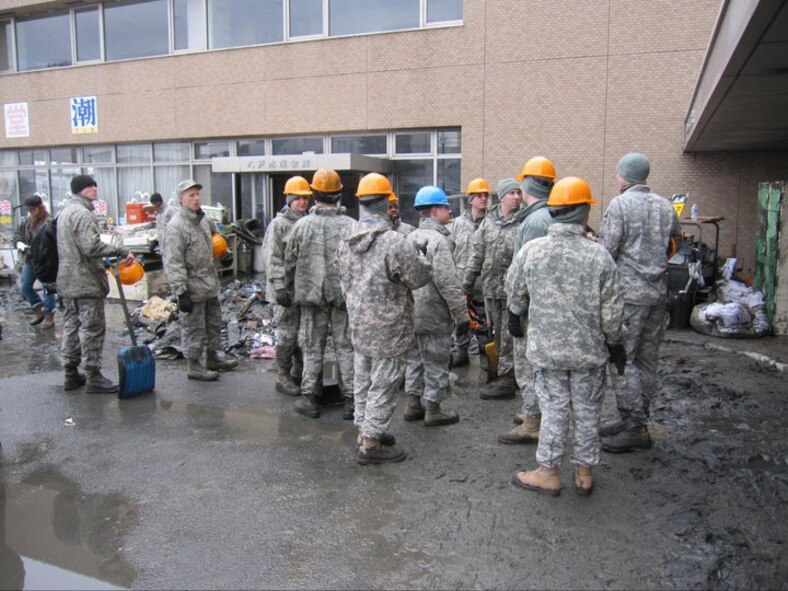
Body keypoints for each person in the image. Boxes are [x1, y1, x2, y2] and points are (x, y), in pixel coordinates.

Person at [509, 177, 625, 496]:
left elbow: (515, 292)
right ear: (583, 213)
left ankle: (548, 471)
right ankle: (584, 471)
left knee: (554, 410)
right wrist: (616, 343)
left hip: (547, 351)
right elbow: (612, 313)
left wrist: (515, 314)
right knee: (588, 411)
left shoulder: (532, 251)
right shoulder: (599, 256)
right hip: (589, 353)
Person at [337, 173, 432, 465]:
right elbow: (418, 278)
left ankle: (365, 428)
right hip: (390, 326)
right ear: (385, 203)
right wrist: (423, 257)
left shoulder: (346, 240)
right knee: (385, 383)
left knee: (363, 379)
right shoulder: (394, 242)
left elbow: (343, 280)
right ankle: (371, 442)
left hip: (359, 324)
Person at [598, 152, 682, 453]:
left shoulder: (620, 205)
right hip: (658, 295)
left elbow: (607, 251)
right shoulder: (665, 205)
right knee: (647, 359)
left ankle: (635, 427)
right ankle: (635, 417)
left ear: (624, 176)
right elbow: (675, 241)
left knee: (622, 359)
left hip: (629, 297)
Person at [284, 169, 356, 420]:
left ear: (314, 194)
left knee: (312, 346)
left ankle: (310, 398)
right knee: (346, 347)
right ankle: (351, 401)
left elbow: (289, 263)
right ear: (338, 194)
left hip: (310, 299)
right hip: (344, 298)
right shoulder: (352, 226)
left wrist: (289, 290)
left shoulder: (301, 226)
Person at [57, 174, 136, 393]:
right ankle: (93, 376)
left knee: (72, 325)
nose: (94, 189)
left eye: (94, 185)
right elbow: (91, 247)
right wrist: (120, 250)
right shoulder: (82, 214)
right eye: (89, 186)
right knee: (92, 328)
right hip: (85, 280)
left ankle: (71, 372)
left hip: (68, 280)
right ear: (80, 190)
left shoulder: (64, 212)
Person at [500, 156, 557, 444]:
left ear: (528, 183)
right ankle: (533, 412)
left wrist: (514, 309)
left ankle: (533, 420)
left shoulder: (534, 221)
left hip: (531, 307)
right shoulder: (550, 214)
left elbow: (522, 271)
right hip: (547, 305)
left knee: (526, 363)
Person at [403, 186, 468, 427]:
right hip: (434, 312)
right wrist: (461, 316)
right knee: (437, 361)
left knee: (414, 360)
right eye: (445, 207)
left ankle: (412, 404)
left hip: (411, 312)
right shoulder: (439, 241)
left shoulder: (408, 237)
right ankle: (433, 408)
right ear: (434, 210)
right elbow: (447, 282)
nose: (449, 212)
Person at [164, 179, 239, 381]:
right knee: (194, 327)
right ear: (181, 199)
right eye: (191, 195)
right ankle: (194, 365)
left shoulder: (203, 220)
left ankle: (213, 357)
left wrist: (225, 253)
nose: (196, 199)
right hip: (192, 285)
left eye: (197, 194)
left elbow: (215, 239)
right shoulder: (176, 227)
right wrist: (180, 292)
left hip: (209, 283)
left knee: (213, 323)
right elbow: (173, 262)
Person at [463, 178, 527, 400]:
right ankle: (502, 372)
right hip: (491, 291)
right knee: (496, 334)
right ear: (502, 197)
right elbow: (476, 255)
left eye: (519, 193)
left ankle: (509, 378)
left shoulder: (523, 222)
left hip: (514, 293)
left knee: (512, 335)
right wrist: (466, 286)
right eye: (512, 193)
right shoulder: (488, 223)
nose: (517, 197)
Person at [266, 176, 311, 397]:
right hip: (284, 291)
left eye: (305, 198)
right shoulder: (279, 225)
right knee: (286, 335)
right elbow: (273, 257)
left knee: (302, 336)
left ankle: (299, 373)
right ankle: (282, 375)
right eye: (298, 198)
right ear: (289, 199)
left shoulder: (308, 221)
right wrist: (279, 286)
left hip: (303, 290)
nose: (302, 202)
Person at [450, 178, 490, 368]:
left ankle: (485, 355)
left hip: (482, 284)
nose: (483, 199)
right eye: (479, 195)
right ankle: (461, 352)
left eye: (486, 195)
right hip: (460, 284)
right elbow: (450, 250)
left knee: (483, 323)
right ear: (471, 198)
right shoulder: (457, 223)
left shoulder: (490, 223)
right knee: (461, 322)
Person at [14, 194, 56, 328]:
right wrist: (19, 243)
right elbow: (16, 236)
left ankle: (49, 315)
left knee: (48, 288)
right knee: (25, 287)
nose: (30, 212)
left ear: (40, 207)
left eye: (33, 209)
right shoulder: (26, 222)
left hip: (46, 261)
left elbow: (54, 242)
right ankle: (39, 309)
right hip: (29, 259)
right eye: (29, 210)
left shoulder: (49, 222)